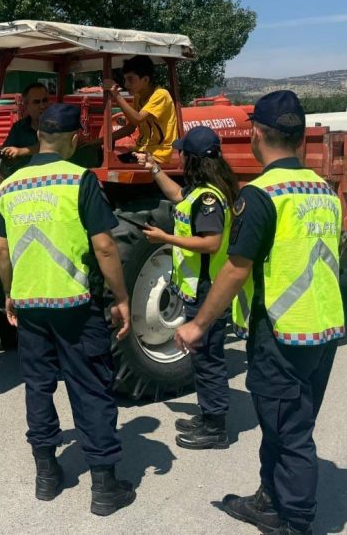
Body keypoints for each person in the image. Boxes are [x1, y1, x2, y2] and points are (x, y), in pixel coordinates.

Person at [174, 90, 345, 535]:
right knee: (283, 421)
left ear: (256, 134)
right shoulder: (323, 191)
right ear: (301, 135)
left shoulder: (263, 195)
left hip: (282, 332)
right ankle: (269, 497)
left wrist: (198, 324)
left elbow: (234, 268)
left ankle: (293, 521)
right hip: (323, 328)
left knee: (291, 433)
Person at [0, 103, 136, 517]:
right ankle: (105, 486)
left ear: (38, 135)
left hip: (30, 304)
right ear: (74, 140)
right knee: (90, 385)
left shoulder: (10, 185)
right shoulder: (79, 180)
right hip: (75, 303)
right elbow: (105, 245)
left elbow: (2, 249)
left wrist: (9, 293)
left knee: (39, 385)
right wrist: (122, 298)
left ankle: (46, 475)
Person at [135, 126, 241, 450]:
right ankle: (208, 415)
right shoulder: (200, 191)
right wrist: (153, 167)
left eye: (182, 153)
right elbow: (177, 197)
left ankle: (216, 428)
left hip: (209, 289)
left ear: (193, 159)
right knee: (201, 357)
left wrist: (165, 238)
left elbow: (210, 243)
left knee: (209, 359)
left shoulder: (209, 198)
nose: (178, 156)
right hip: (197, 290)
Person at [102, 56, 179, 164]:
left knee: (113, 167)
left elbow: (137, 119)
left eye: (130, 79)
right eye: (125, 79)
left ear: (146, 79)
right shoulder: (138, 98)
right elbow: (130, 128)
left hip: (157, 155)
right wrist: (101, 141)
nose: (126, 85)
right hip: (141, 152)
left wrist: (116, 95)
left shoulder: (161, 95)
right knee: (106, 161)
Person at [0, 82, 51, 172]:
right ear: (26, 105)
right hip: (23, 180)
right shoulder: (19, 127)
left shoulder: (57, 124)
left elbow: (50, 146)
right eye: (36, 102)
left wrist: (20, 151)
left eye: (44, 101)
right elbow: (7, 152)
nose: (42, 106)